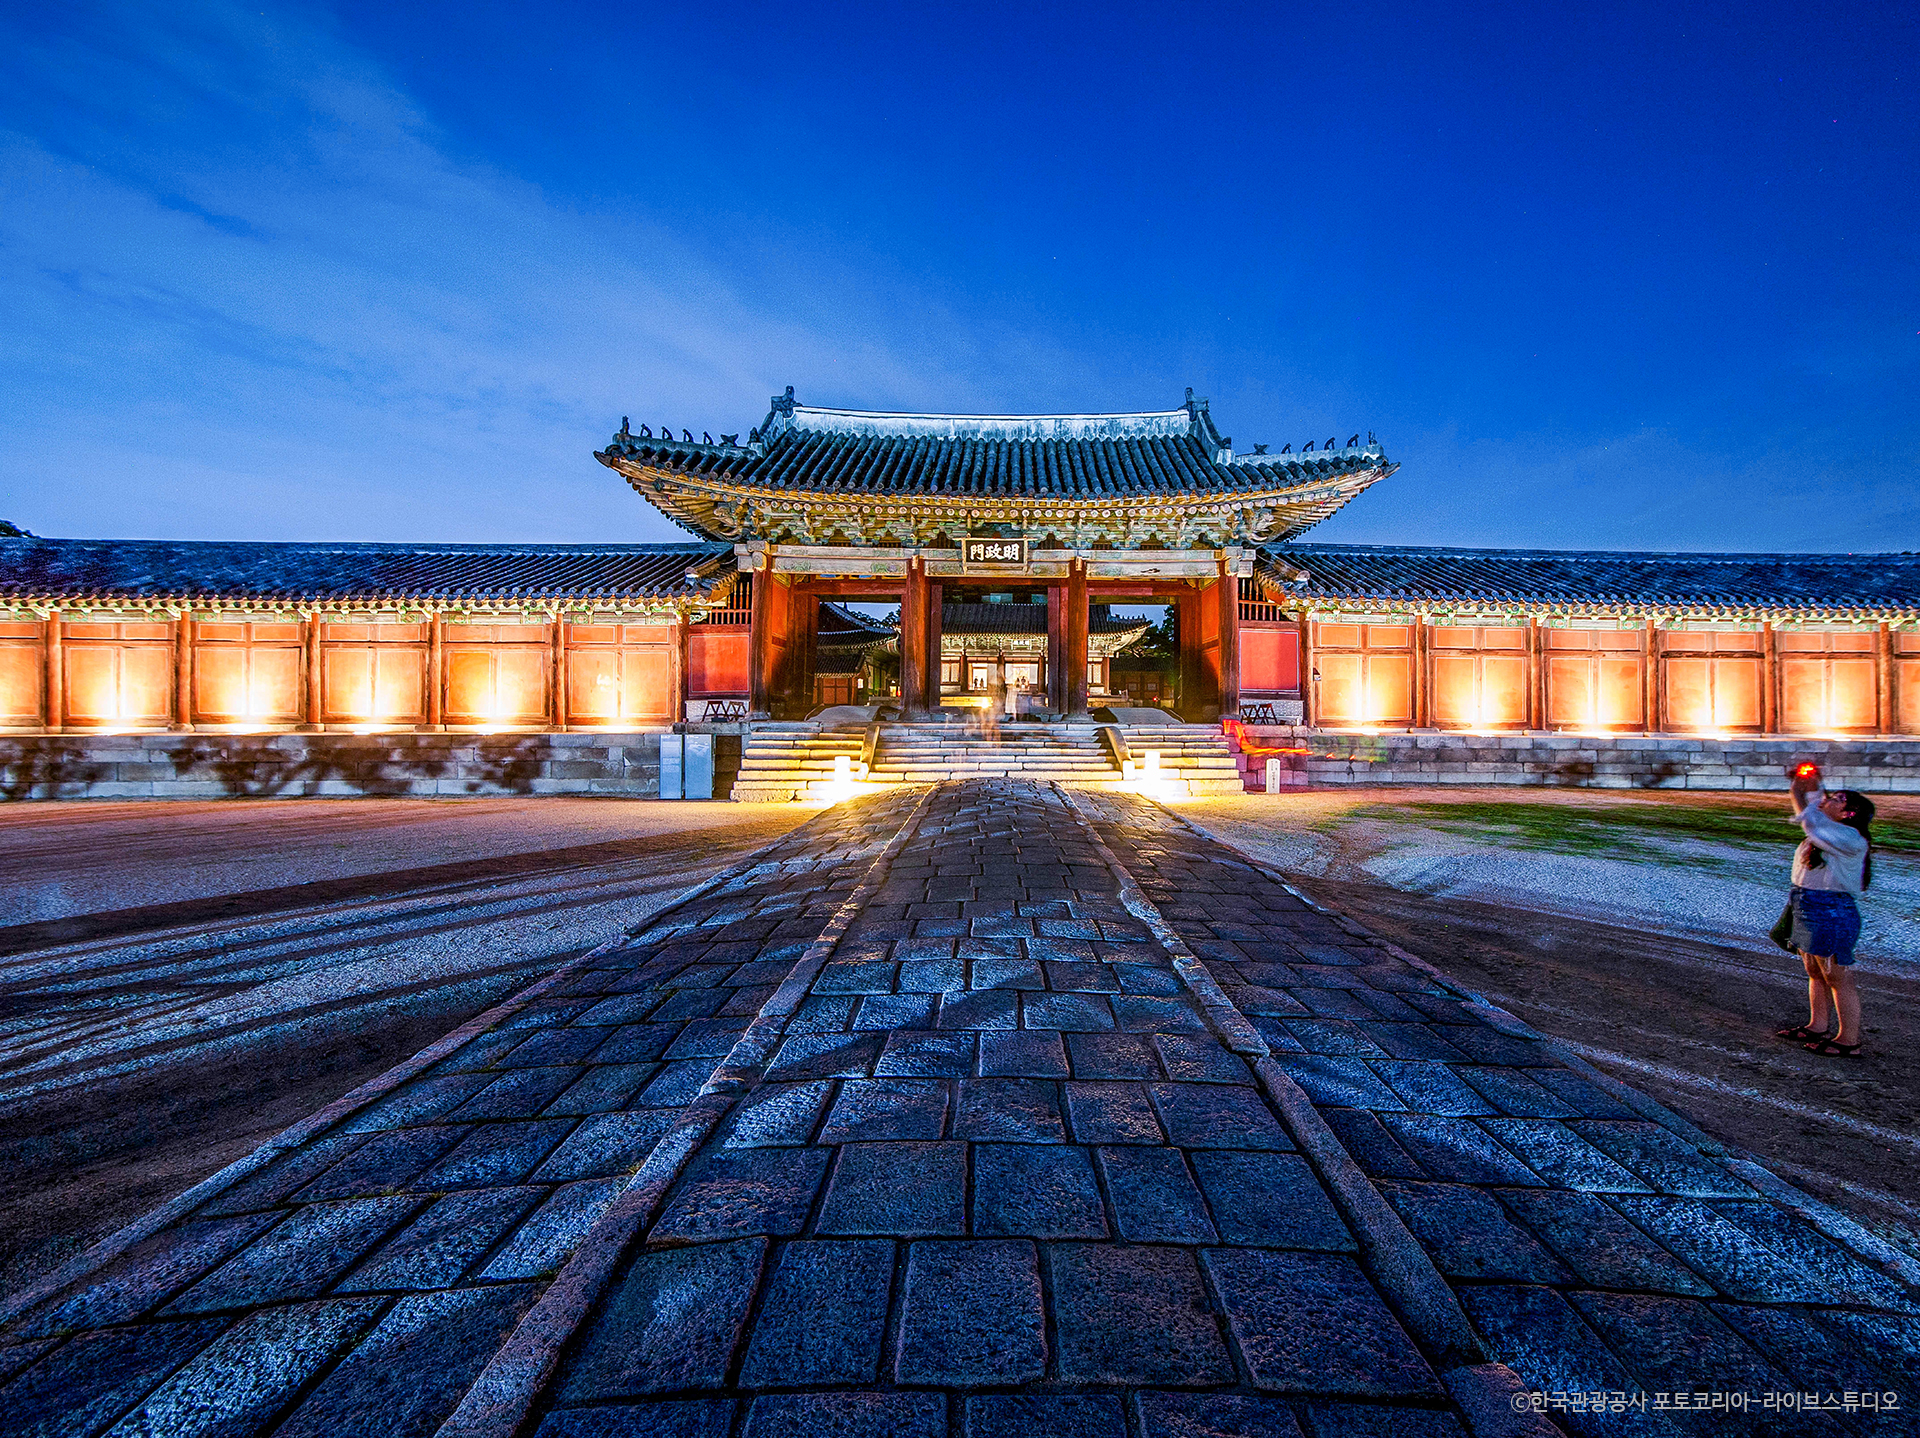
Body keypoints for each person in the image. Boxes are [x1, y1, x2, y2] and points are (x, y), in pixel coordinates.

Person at [1775, 768, 1875, 1058]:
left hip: (1831, 911)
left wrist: (1799, 791)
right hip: (1807, 904)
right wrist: (1808, 783)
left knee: (1837, 976)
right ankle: (1817, 1025)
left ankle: (1849, 1040)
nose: (1830, 800)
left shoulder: (1850, 838)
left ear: (1849, 814)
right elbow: (1814, 806)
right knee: (1815, 971)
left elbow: (1811, 819)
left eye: (1839, 800)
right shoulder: (1833, 830)